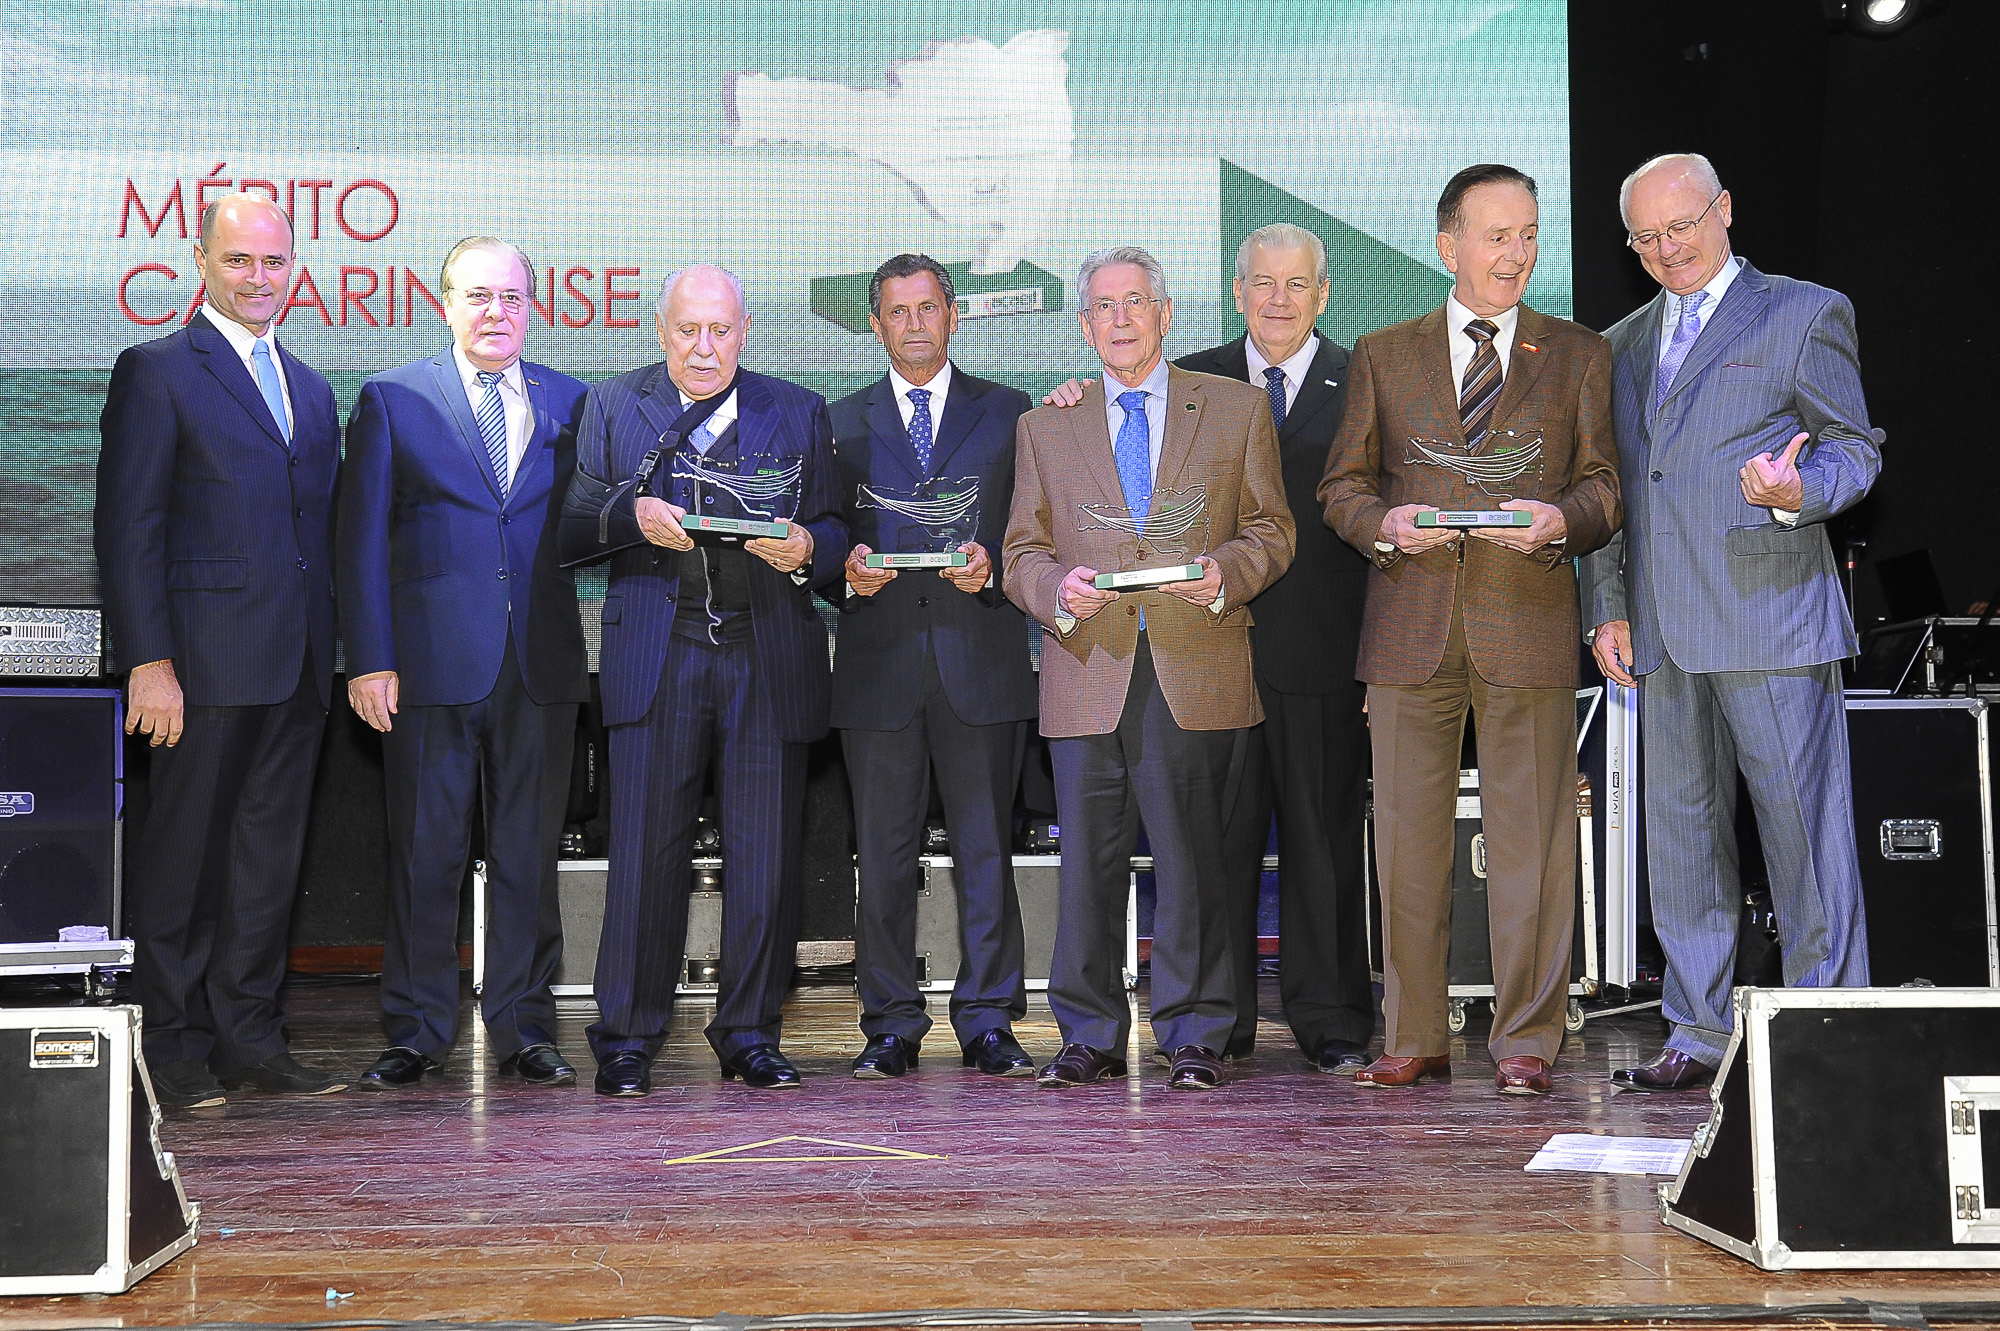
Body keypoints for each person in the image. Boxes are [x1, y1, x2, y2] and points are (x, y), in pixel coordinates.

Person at [1579, 152, 1882, 1092]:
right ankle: (1697, 1029)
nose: (1668, 248)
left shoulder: (1804, 311)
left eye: (1683, 225)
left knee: (1805, 841)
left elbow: (1854, 448)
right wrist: (1608, 606)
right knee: (1680, 842)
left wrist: (1799, 492)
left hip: (1771, 621)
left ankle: (1829, 1026)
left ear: (1725, 211)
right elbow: (1612, 491)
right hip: (1661, 632)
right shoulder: (1619, 343)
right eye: (1647, 236)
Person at [1318, 164, 1621, 1097]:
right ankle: (1414, 1034)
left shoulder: (1579, 353)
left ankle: (1527, 1038)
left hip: (1527, 620)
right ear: (1448, 245)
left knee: (1534, 845)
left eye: (1529, 234)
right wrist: (1383, 525)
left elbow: (1604, 487)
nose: (1517, 253)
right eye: (1497, 236)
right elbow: (1342, 486)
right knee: (1407, 847)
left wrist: (1561, 521)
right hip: (1408, 627)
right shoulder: (1383, 352)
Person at [1003, 245, 1294, 1092]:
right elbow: (1021, 551)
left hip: (1192, 663)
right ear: (1084, 324)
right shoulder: (1044, 424)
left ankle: (1195, 1033)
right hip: (1086, 663)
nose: (1120, 318)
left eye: (1136, 302)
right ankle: (1088, 1033)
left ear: (1165, 315)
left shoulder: (1236, 408)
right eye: (1104, 305)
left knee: (1192, 860)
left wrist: (1223, 574)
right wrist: (1056, 588)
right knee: (1086, 867)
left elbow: (1272, 530)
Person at [559, 265, 847, 1096]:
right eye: (688, 330)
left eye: (721, 330)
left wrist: (809, 548)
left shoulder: (797, 409)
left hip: (766, 654)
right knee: (644, 851)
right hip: (660, 651)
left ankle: (750, 1032)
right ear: (661, 331)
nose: (704, 347)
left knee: (765, 856)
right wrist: (631, 515)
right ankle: (626, 1036)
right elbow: (571, 527)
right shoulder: (613, 405)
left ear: (745, 332)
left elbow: (835, 527)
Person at [95, 193, 347, 1107]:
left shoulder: (310, 386)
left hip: (297, 666)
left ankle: (250, 1040)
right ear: (200, 263)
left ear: (294, 269)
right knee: (184, 865)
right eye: (238, 259)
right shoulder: (157, 370)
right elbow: (128, 528)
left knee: (266, 865)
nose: (257, 277)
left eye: (273, 261)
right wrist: (147, 661)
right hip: (197, 669)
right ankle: (170, 1045)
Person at [337, 237, 590, 1091]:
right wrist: (368, 659)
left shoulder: (572, 401)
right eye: (478, 295)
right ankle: (416, 1030)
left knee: (529, 856)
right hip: (427, 669)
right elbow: (360, 542)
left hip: (540, 667)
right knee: (425, 853)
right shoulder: (394, 398)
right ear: (445, 303)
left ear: (533, 308)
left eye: (512, 297)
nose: (496, 312)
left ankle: (525, 1027)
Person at [829, 254, 1039, 1079]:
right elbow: (819, 534)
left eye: (927, 307)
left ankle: (989, 1020)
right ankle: (889, 1022)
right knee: (883, 858)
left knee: (986, 851)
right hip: (878, 669)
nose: (913, 323)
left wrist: (996, 567)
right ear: (875, 324)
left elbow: (1036, 529)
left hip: (979, 658)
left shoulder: (1011, 411)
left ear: (953, 315)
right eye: (897, 311)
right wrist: (843, 572)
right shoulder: (837, 421)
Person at [1172, 224, 1373, 1074]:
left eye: (1297, 284)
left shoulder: (1366, 379)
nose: (1279, 299)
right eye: (1263, 282)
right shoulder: (1189, 380)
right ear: (1238, 291)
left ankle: (1332, 1020)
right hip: (1210, 652)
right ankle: (1216, 1025)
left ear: (1323, 294)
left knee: (1323, 844)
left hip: (1326, 655)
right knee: (1214, 845)